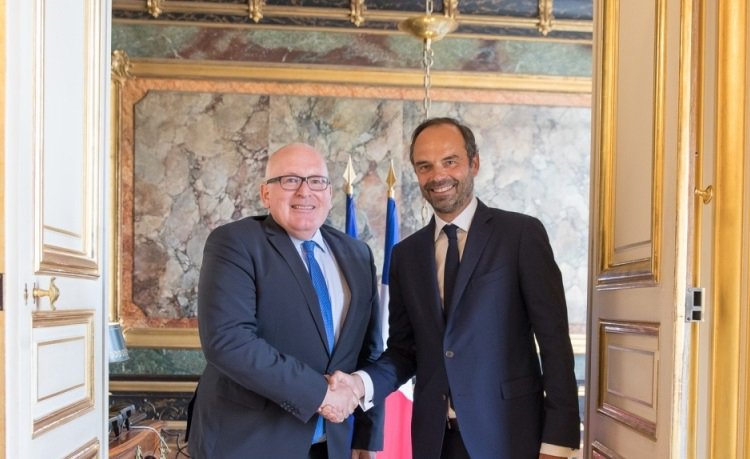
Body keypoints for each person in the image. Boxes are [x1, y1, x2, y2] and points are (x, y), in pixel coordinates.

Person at [327, 117, 581, 459]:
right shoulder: (405, 255)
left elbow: (555, 343)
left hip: (512, 438)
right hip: (436, 442)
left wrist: (558, 443)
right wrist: (360, 384)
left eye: (450, 161)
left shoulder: (520, 235)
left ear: (474, 163)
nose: (438, 176)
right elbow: (404, 351)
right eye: (425, 166)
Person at [187, 143, 384, 459]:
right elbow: (228, 341)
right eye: (290, 180)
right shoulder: (235, 243)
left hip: (333, 445)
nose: (305, 192)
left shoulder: (357, 254)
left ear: (329, 193)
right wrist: (320, 394)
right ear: (266, 194)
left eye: (316, 181)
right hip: (249, 444)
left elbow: (368, 350)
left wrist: (367, 435)